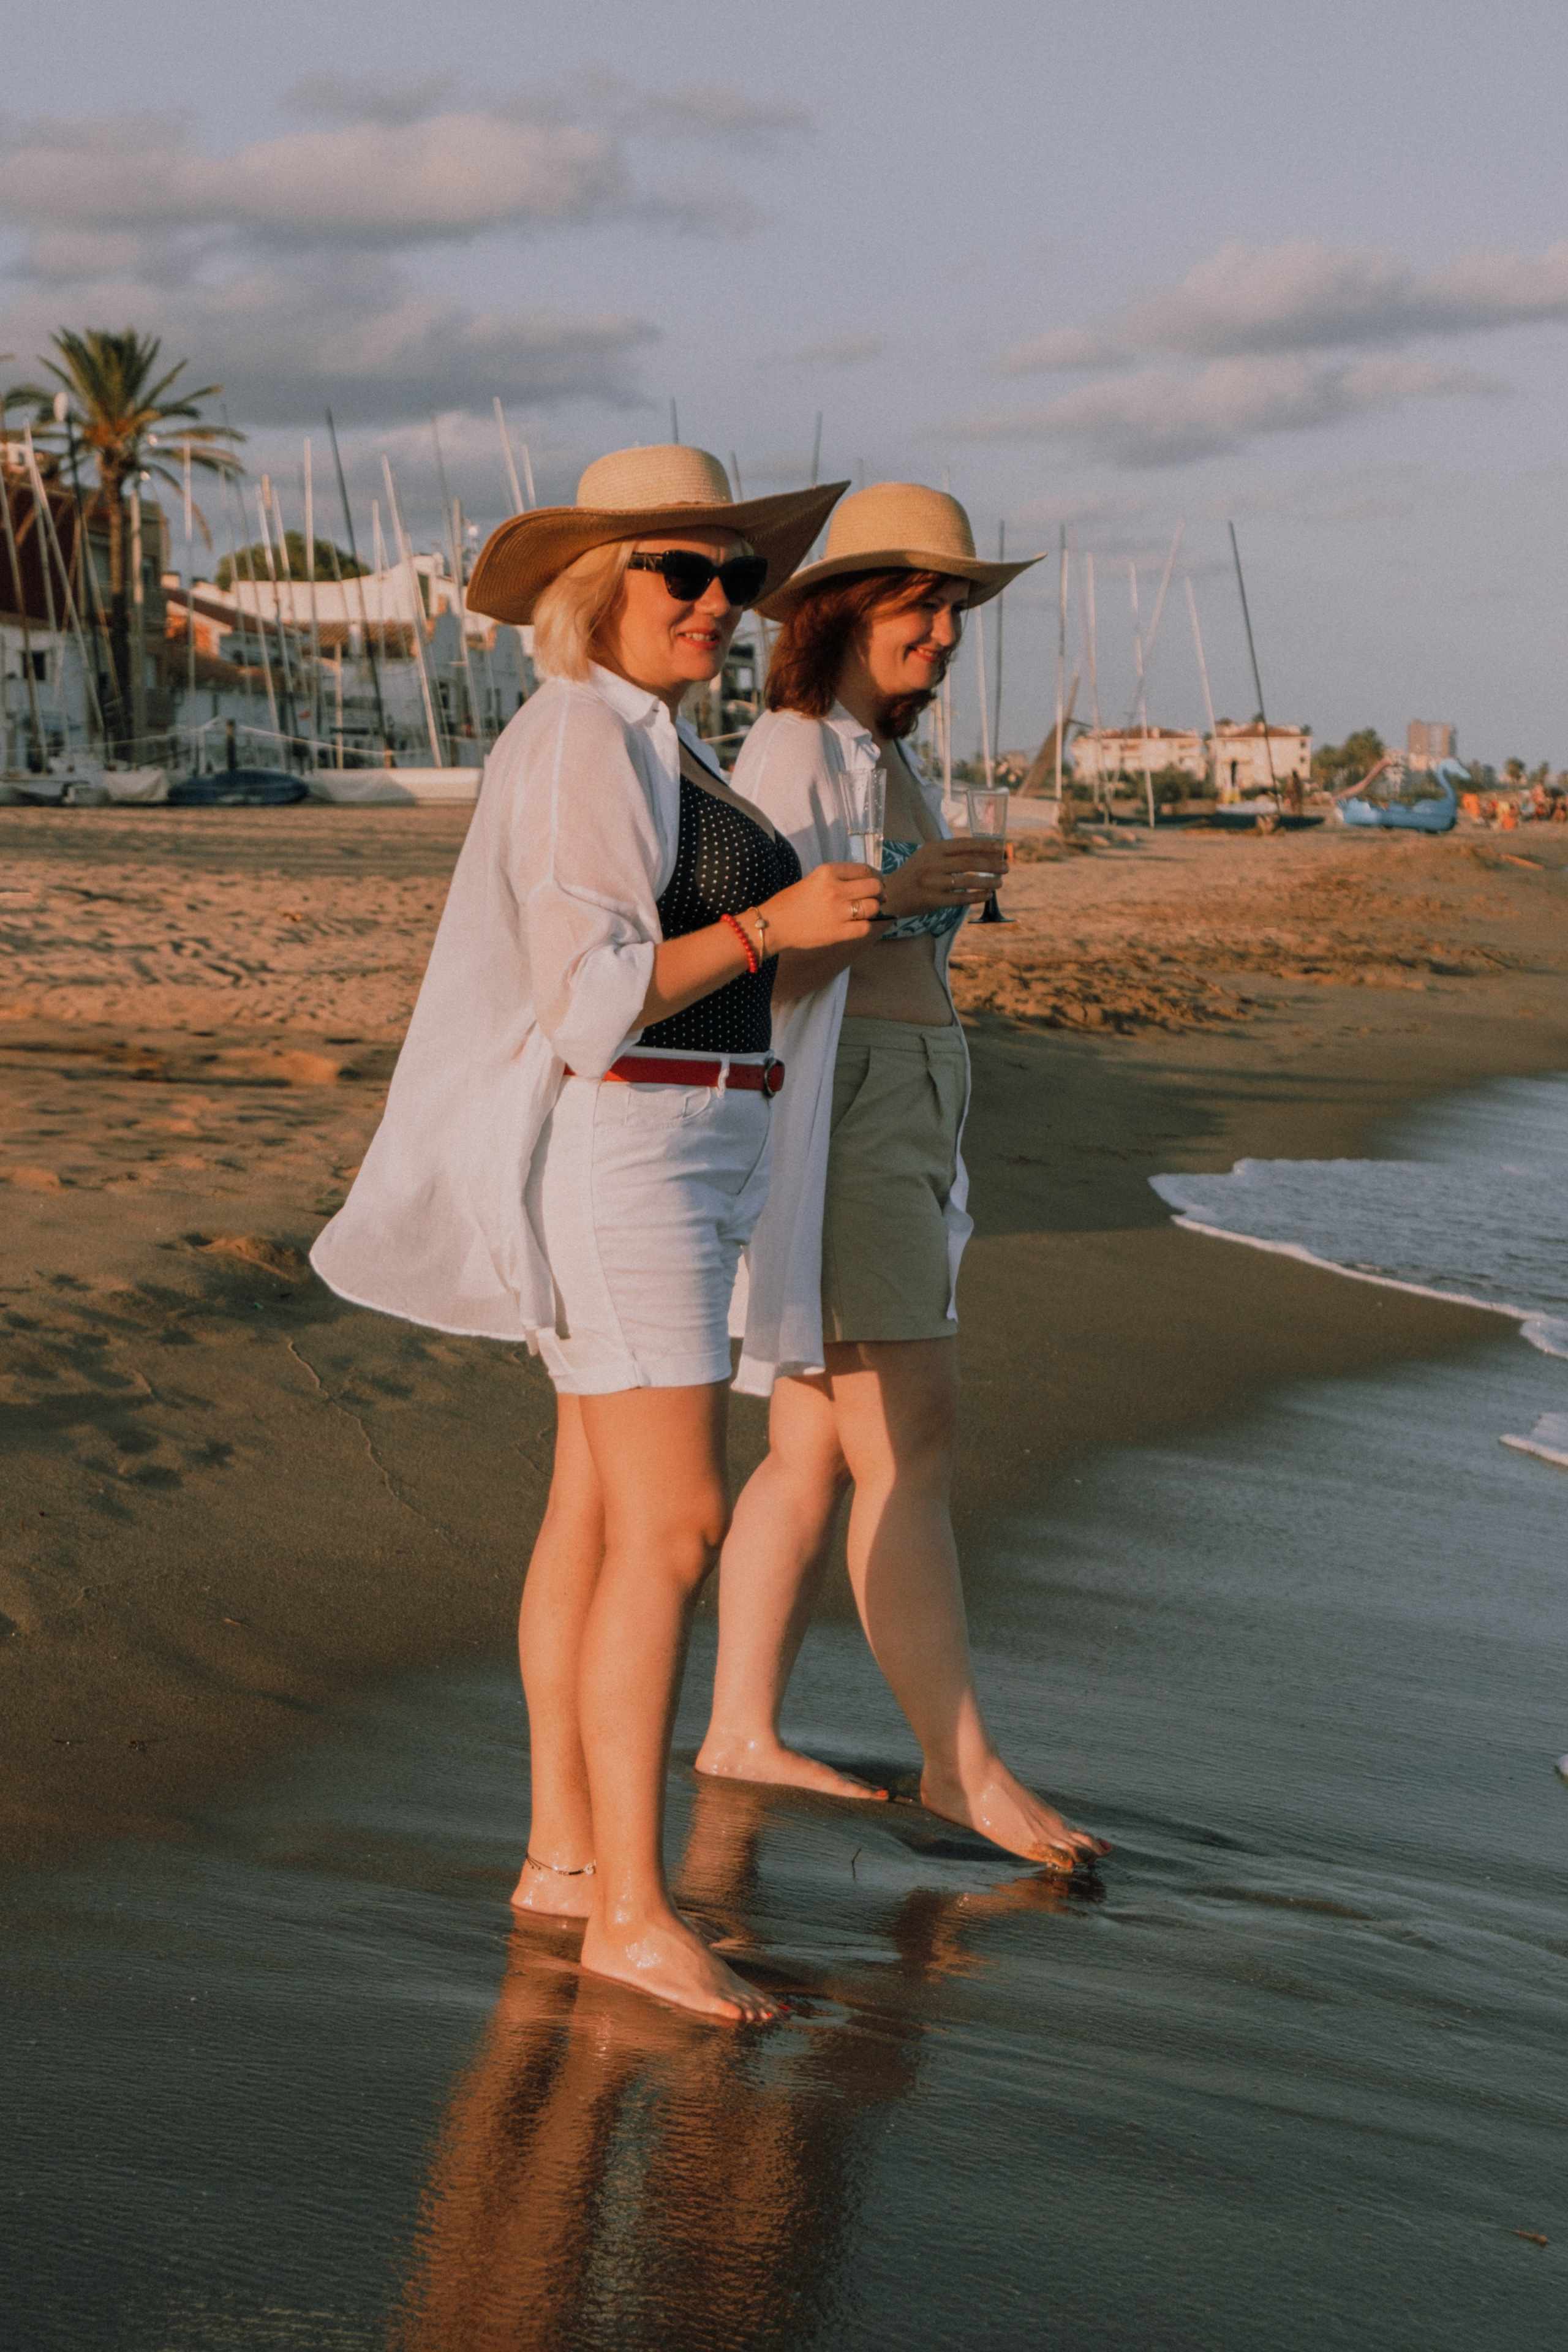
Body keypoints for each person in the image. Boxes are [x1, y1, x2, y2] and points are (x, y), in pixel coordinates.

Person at [311, 445, 886, 2022]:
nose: (715, 602)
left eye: (733, 577)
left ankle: (569, 1861)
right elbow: (585, 1005)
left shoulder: (652, 742)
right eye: (678, 573)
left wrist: (813, 936)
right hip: (630, 1142)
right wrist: (775, 924)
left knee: (592, 1513)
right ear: (596, 592)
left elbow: (699, 971)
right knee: (674, 1526)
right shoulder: (579, 733)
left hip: (689, 1135)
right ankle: (632, 1909)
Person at [695, 482, 1108, 1873]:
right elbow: (759, 959)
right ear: (836, 618)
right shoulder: (791, 751)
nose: (942, 631)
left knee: (812, 1445)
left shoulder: (868, 752)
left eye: (952, 608)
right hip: (855, 1110)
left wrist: (918, 886)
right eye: (916, 605)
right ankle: (962, 1768)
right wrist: (901, 885)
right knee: (908, 1439)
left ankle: (739, 1731)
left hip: (901, 1105)